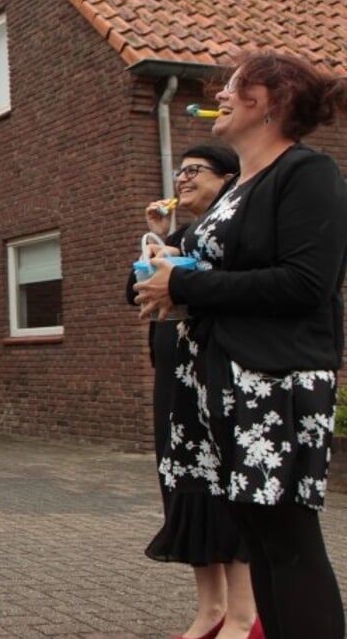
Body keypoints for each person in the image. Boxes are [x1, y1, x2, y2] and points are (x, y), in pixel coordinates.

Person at [136, 50, 347, 639]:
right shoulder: (237, 192)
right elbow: (224, 275)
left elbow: (308, 283)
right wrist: (170, 269)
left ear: (268, 102)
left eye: (232, 87)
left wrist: (183, 281)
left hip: (276, 384)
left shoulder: (308, 174)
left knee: (289, 544)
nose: (220, 97)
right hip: (224, 383)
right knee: (257, 540)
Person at [131, 144, 257, 639]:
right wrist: (158, 242)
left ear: (227, 178)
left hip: (217, 376)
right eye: (179, 171)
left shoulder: (235, 233)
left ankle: (245, 617)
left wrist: (183, 270)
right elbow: (135, 288)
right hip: (176, 382)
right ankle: (211, 609)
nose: (182, 179)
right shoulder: (185, 235)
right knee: (188, 490)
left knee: (229, 490)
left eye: (195, 170)